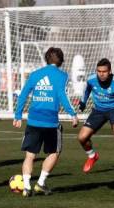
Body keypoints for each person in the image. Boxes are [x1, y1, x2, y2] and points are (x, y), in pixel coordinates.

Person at [14, 47, 78, 197]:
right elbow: (62, 95)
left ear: (46, 59)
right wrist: (73, 114)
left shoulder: (35, 74)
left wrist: (18, 115)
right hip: (50, 122)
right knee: (54, 152)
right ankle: (41, 183)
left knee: (30, 155)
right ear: (61, 61)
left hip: (34, 120)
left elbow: (23, 94)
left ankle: (26, 187)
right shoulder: (62, 76)